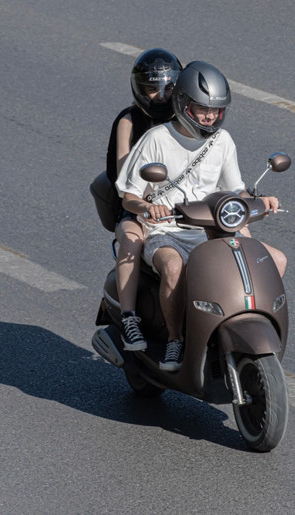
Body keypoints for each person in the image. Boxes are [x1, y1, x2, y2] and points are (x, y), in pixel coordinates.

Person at [116, 61, 287, 372]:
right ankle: (175, 339)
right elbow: (129, 196)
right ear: (183, 104)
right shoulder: (157, 139)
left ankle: (243, 322)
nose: (210, 116)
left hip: (211, 229)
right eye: (202, 109)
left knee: (274, 259)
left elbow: (235, 190)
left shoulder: (222, 141)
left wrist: (261, 200)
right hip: (166, 229)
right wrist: (147, 208)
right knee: (173, 266)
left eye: (217, 111)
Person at [106, 48, 182, 353]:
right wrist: (147, 202)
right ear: (140, 89)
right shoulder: (129, 121)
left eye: (169, 87)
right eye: (153, 88)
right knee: (133, 241)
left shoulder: (186, 116)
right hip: (136, 209)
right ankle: (129, 319)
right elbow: (126, 179)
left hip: (181, 208)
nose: (162, 96)